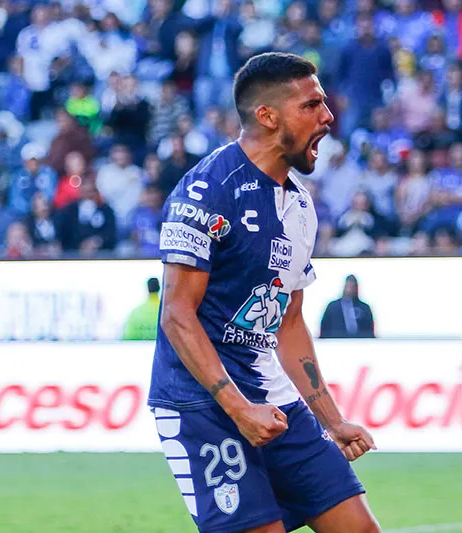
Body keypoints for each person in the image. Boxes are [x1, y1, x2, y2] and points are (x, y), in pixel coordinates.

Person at [150, 52, 380, 533]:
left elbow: (288, 323)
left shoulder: (300, 206)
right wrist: (239, 410)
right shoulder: (205, 192)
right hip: (202, 407)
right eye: (312, 105)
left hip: (273, 398)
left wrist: (333, 421)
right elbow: (176, 315)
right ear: (268, 116)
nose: (328, 117)